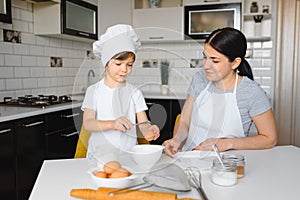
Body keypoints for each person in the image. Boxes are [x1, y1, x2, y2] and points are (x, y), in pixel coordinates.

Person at [163, 27, 277, 156]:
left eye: (215, 60)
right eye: (205, 57)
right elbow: (184, 121)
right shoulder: (200, 78)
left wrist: (227, 143)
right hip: (191, 158)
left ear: (235, 63)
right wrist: (176, 139)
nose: (206, 65)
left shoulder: (251, 92)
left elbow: (269, 139)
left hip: (228, 163)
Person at [81, 24, 160, 157]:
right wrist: (113, 124)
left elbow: (143, 122)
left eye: (129, 65)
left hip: (128, 156)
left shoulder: (135, 93)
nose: (124, 69)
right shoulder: (93, 91)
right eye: (118, 64)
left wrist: (148, 130)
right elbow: (88, 123)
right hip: (99, 157)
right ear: (106, 63)